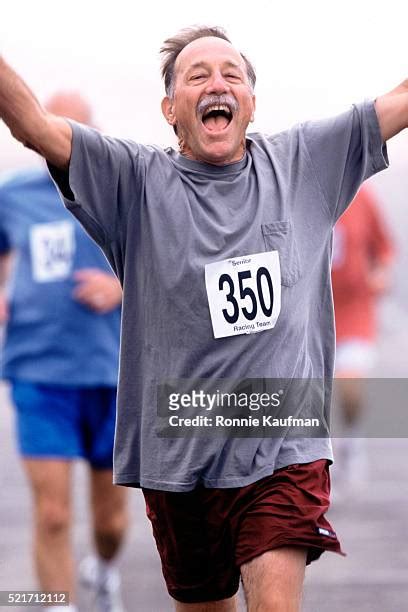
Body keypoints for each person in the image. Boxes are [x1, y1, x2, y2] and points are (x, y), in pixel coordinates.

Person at [0, 24, 407, 612]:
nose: (217, 83)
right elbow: (34, 126)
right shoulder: (134, 180)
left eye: (231, 74)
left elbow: (396, 100)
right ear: (171, 109)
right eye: (197, 76)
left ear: (250, 102)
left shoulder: (304, 161)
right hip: (181, 452)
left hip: (282, 444)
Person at [0, 93, 128, 612]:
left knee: (111, 521)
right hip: (40, 370)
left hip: (114, 370)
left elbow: (167, 258)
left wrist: (121, 287)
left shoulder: (122, 190)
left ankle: (104, 569)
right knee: (52, 513)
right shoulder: (14, 195)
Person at [331, 185, 394, 485]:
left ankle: (351, 445)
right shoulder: (298, 192)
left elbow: (383, 248)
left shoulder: (362, 197)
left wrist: (381, 273)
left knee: (349, 386)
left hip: (355, 312)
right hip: (313, 314)